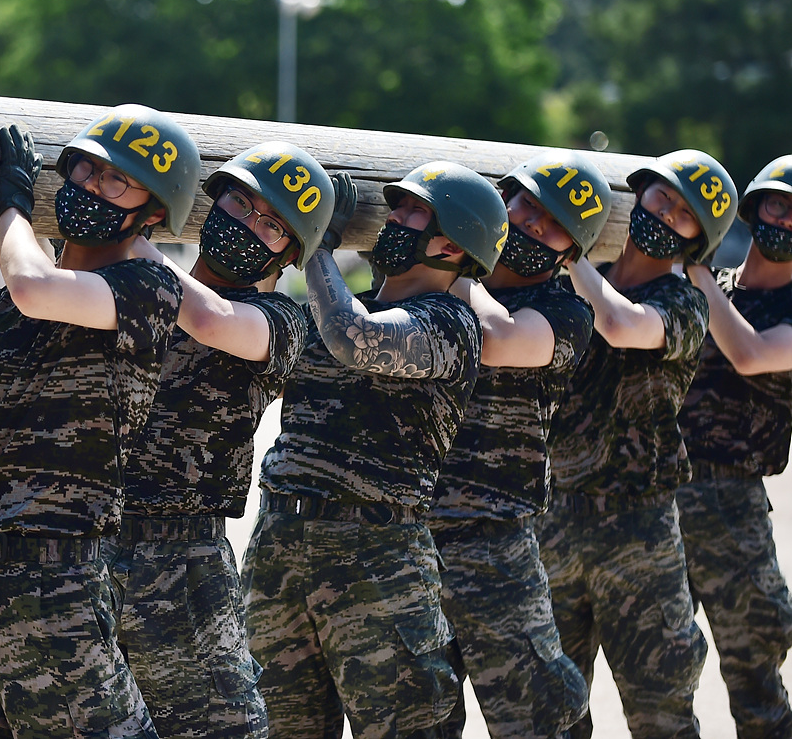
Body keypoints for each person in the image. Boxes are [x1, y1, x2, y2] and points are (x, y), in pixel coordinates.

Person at [0, 106, 199, 738]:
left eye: (119, 182)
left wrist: (11, 208)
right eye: (86, 170)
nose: (92, 187)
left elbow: (36, 285)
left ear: (154, 213)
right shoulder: (6, 307)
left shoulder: (149, 289)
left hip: (58, 578)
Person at [243, 161, 508, 739]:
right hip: (280, 545)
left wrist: (316, 243)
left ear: (452, 244)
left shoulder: (451, 326)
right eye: (398, 206)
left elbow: (355, 339)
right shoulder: (337, 304)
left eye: (416, 212)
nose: (396, 218)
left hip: (376, 558)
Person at [112, 141, 334, 739]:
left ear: (289, 255)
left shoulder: (284, 323)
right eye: (239, 204)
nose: (247, 225)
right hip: (88, 550)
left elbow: (207, 318)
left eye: (271, 225)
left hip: (185, 564)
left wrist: (126, 226)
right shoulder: (131, 290)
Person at [539, 148, 738, 739]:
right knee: (552, 711)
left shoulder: (685, 305)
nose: (666, 214)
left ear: (697, 240)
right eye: (662, 199)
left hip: (638, 530)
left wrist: (571, 254)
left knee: (661, 712)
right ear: (639, 196)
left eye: (683, 215)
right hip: (554, 517)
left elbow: (623, 326)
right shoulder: (566, 289)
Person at [430, 151, 610, 738]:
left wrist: (460, 262)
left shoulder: (565, 312)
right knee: (418, 716)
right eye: (527, 205)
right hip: (405, 537)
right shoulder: (431, 288)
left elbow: (496, 338)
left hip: (494, 542)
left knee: (543, 718)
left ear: (571, 250)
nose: (534, 223)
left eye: (554, 222)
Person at [677, 154, 792, 739]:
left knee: (755, 681)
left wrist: (697, 279)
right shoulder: (706, 288)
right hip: (654, 494)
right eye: (779, 205)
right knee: (659, 678)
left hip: (731, 502)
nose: (787, 222)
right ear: (753, 207)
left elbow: (750, 355)